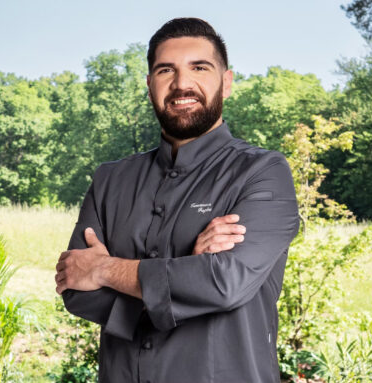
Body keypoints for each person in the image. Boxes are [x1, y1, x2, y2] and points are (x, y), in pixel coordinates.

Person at [55, 17, 299, 383]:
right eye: (166, 70)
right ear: (149, 84)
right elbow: (75, 285)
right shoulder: (110, 179)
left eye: (199, 67)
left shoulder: (263, 172)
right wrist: (186, 277)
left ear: (226, 82)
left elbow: (224, 283)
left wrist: (106, 270)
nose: (182, 83)